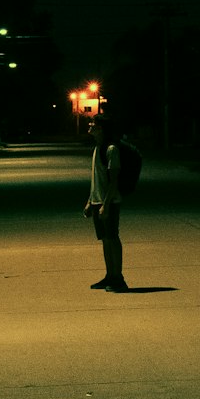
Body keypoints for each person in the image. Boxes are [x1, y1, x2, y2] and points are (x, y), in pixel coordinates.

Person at [83, 114, 129, 293]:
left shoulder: (111, 149)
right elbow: (97, 179)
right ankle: (110, 275)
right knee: (105, 239)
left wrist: (106, 205)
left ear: (101, 128)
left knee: (112, 238)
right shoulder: (98, 148)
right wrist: (90, 201)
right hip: (97, 201)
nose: (90, 125)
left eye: (93, 123)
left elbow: (113, 181)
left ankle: (119, 278)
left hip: (108, 202)